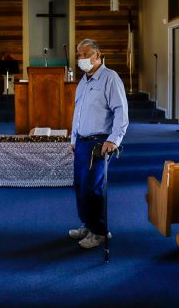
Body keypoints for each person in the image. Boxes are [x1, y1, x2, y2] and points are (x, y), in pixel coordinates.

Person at [69, 38, 129, 249]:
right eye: (79, 55)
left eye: (86, 54)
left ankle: (100, 232)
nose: (82, 59)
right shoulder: (84, 81)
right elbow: (78, 113)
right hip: (82, 143)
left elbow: (121, 111)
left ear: (98, 54)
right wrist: (74, 139)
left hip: (99, 143)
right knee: (81, 186)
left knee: (93, 187)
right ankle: (88, 224)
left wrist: (113, 139)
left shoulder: (110, 78)